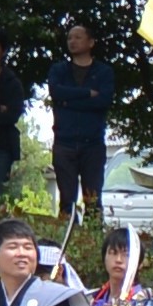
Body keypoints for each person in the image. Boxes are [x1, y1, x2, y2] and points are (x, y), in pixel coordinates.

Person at [45, 20, 116, 224]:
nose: (72, 41)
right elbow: (56, 93)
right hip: (64, 141)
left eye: (78, 37)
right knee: (66, 200)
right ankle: (67, 241)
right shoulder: (60, 70)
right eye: (69, 38)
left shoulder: (103, 72)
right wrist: (87, 94)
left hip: (92, 143)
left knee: (93, 199)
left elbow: (103, 101)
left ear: (91, 42)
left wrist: (70, 101)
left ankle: (93, 240)